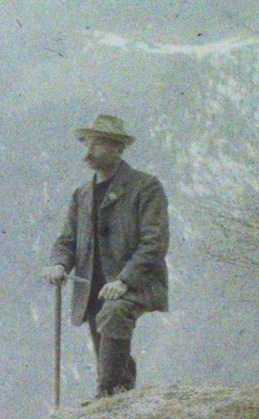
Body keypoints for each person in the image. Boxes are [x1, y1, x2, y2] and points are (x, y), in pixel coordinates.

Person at [40, 114, 169, 398]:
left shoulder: (145, 187)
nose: (88, 151)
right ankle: (120, 390)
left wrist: (124, 281)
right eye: (87, 144)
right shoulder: (82, 194)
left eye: (97, 144)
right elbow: (67, 239)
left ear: (118, 148)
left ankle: (106, 393)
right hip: (93, 285)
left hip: (137, 281)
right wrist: (59, 263)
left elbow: (154, 242)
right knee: (104, 335)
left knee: (113, 313)